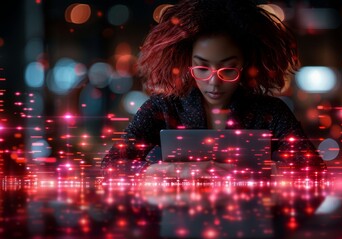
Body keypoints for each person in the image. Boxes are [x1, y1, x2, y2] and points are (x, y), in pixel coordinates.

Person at [101, 0, 327, 179]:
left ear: (245, 65)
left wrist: (257, 172)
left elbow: (314, 169)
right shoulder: (162, 107)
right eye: (202, 68)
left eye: (228, 70)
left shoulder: (271, 112)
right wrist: (172, 171)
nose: (213, 82)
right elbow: (112, 165)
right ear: (186, 63)